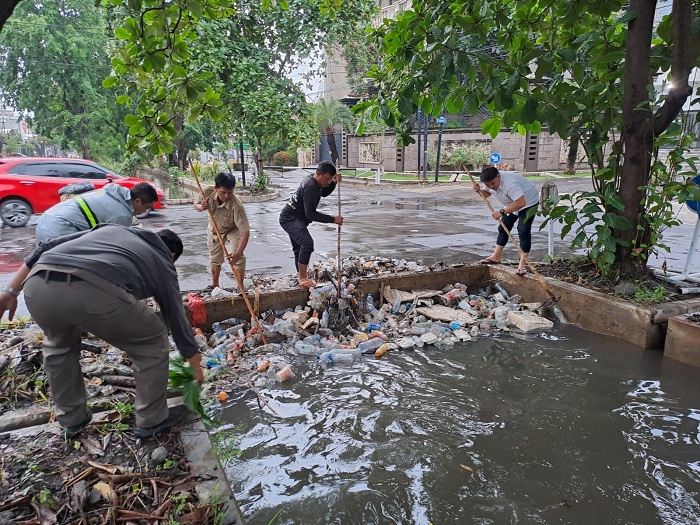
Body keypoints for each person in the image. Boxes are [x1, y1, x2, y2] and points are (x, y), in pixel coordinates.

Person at [0, 224, 203, 439]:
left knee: (60, 345)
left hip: (37, 284)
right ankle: (152, 420)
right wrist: (195, 366)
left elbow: (45, 247)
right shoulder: (162, 260)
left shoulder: (113, 230)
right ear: (171, 254)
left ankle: (71, 419)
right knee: (152, 340)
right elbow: (175, 316)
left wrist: (10, 291)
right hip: (89, 288)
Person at [279, 160, 343, 288]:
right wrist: (332, 219)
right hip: (290, 218)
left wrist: (334, 183)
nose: (328, 182)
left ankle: (300, 277)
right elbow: (311, 214)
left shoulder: (315, 182)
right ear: (318, 174)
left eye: (330, 179)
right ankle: (302, 277)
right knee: (307, 244)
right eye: (327, 179)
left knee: (299, 248)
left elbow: (323, 192)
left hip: (296, 218)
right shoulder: (310, 186)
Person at [35, 182, 159, 246]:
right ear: (137, 201)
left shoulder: (112, 193)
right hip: (59, 228)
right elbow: (115, 245)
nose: (145, 211)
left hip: (46, 220)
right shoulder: (122, 215)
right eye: (146, 207)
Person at [472, 166, 539, 275]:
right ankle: (496, 256)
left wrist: (502, 212)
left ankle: (522, 265)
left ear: (498, 176)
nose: (491, 187)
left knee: (523, 229)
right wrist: (478, 191)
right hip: (511, 203)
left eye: (493, 183)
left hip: (528, 202)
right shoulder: (489, 183)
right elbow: (487, 194)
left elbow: (521, 202)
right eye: (488, 185)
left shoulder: (511, 184)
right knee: (503, 227)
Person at [194, 172, 250, 291]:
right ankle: (214, 284)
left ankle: (240, 285)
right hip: (214, 229)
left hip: (233, 229)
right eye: (223, 192)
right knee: (215, 257)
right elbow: (196, 204)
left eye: (229, 193)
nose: (226, 196)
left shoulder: (237, 205)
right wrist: (201, 207)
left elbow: (245, 231)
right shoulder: (207, 192)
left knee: (237, 256)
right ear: (216, 188)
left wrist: (238, 253)